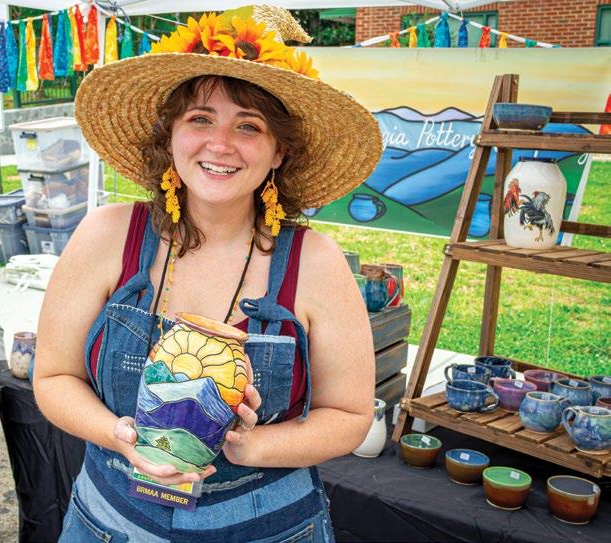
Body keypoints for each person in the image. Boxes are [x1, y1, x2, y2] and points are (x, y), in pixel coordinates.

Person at [34, 6, 382, 542]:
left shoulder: (315, 263)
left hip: (267, 530)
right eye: (200, 118)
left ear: (279, 151)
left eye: (249, 126)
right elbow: (53, 378)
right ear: (170, 134)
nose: (220, 145)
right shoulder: (106, 236)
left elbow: (350, 414)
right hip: (108, 524)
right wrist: (122, 435)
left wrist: (252, 445)